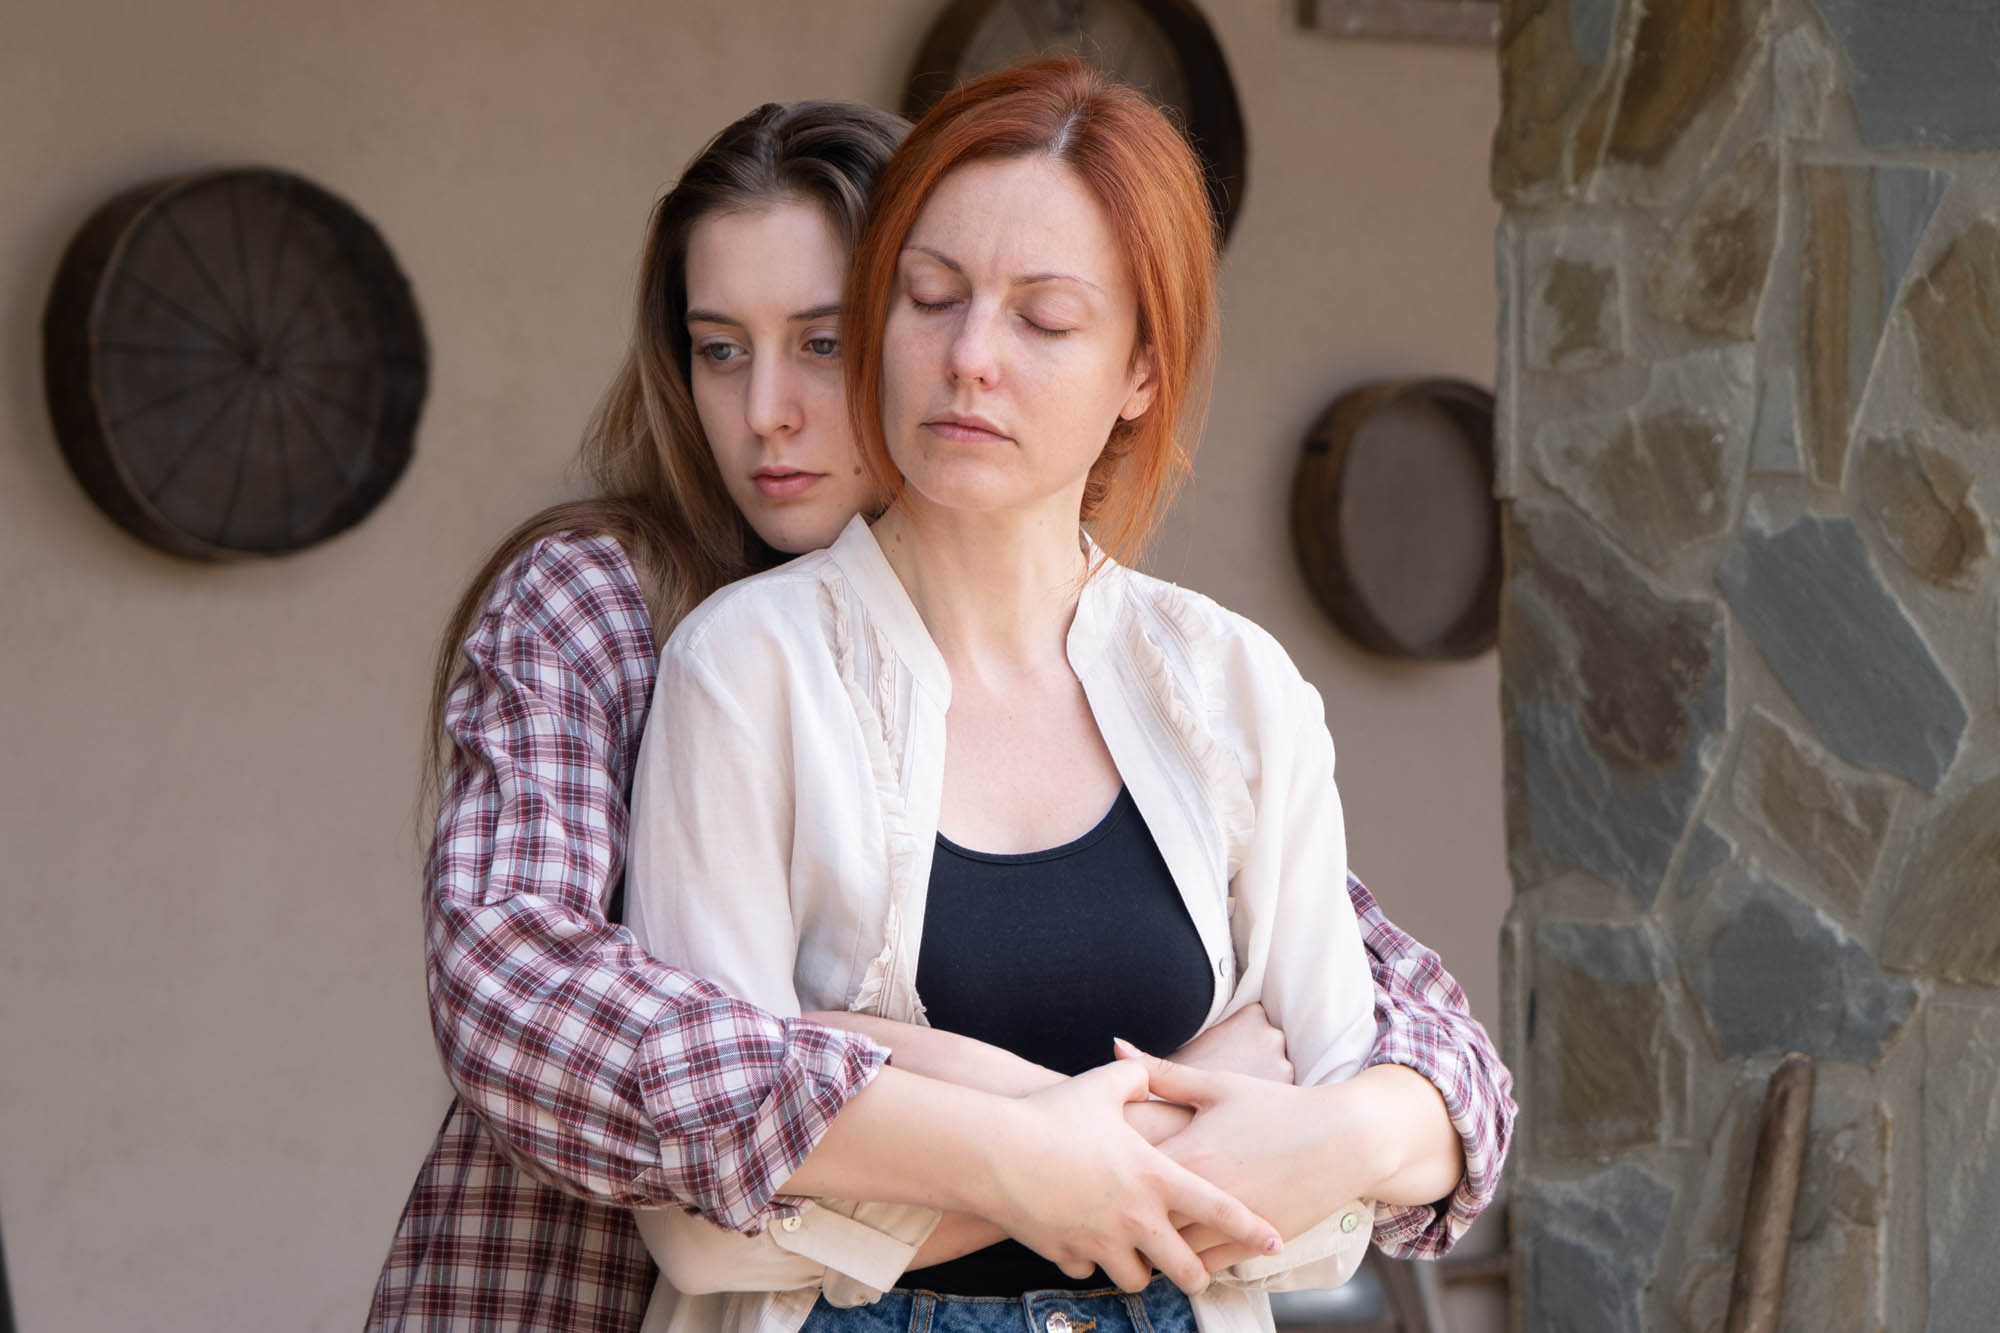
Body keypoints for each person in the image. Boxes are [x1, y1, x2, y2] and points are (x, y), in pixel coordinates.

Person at [366, 95, 1512, 1333]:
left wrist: (1356, 1123)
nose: (766, 415)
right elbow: (520, 990)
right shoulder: (628, 613)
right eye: (718, 349)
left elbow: (1367, 1009)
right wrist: (1040, 1136)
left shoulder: (1189, 678)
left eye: (818, 340)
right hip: (579, 1301)